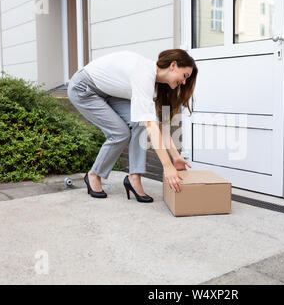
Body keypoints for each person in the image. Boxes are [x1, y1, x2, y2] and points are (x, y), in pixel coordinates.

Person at [67, 49, 198, 202]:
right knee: (120, 133)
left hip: (110, 93)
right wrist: (167, 167)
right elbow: (151, 126)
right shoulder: (143, 74)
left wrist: (175, 157)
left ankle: (134, 178)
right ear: (173, 65)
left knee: (139, 123)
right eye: (185, 76)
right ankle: (93, 175)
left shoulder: (156, 85)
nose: (184, 82)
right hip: (85, 88)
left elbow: (159, 125)